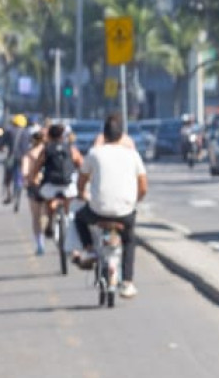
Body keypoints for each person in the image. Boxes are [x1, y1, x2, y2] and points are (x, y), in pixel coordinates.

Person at [72, 114, 147, 298]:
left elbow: (82, 180)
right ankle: (127, 282)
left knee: (79, 218)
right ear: (122, 135)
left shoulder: (94, 153)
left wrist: (81, 193)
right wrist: (134, 200)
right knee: (129, 239)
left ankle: (89, 250)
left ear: (103, 135)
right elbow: (143, 186)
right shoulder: (133, 155)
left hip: (98, 210)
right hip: (125, 212)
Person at [28, 122, 81, 255]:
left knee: (48, 199)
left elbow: (37, 167)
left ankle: (50, 221)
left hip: (50, 185)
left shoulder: (46, 149)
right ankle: (68, 219)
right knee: (70, 207)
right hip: (68, 185)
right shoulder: (70, 148)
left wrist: (33, 180)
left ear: (50, 136)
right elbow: (81, 163)